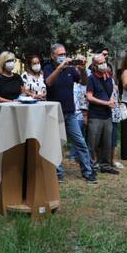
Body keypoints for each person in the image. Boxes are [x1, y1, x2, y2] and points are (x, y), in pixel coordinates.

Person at [44, 44, 97, 183]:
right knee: (56, 144)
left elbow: (83, 82)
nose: (62, 56)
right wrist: (60, 68)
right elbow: (48, 82)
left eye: (64, 54)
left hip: (70, 112)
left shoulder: (70, 69)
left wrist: (83, 70)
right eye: (59, 54)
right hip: (53, 113)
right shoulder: (48, 67)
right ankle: (58, 173)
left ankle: (88, 171)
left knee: (80, 141)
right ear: (52, 56)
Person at [85, 54, 118, 174]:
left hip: (107, 115)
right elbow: (89, 97)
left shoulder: (108, 77)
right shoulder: (91, 78)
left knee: (107, 142)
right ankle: (92, 166)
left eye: (104, 61)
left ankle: (105, 165)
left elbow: (111, 92)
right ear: (94, 65)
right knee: (92, 142)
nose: (103, 64)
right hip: (95, 115)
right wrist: (106, 103)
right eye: (100, 62)